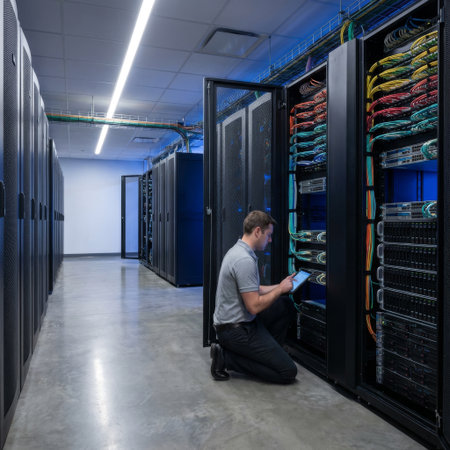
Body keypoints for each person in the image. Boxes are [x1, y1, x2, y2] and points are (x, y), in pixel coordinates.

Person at [210, 210, 298, 383]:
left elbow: (253, 289)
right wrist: (279, 290)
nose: (270, 240)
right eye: (268, 235)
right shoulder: (244, 260)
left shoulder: (239, 250)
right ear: (258, 231)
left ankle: (269, 356)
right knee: (288, 372)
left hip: (238, 323)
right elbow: (254, 306)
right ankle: (226, 357)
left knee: (284, 305)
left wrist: (281, 286)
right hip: (235, 330)